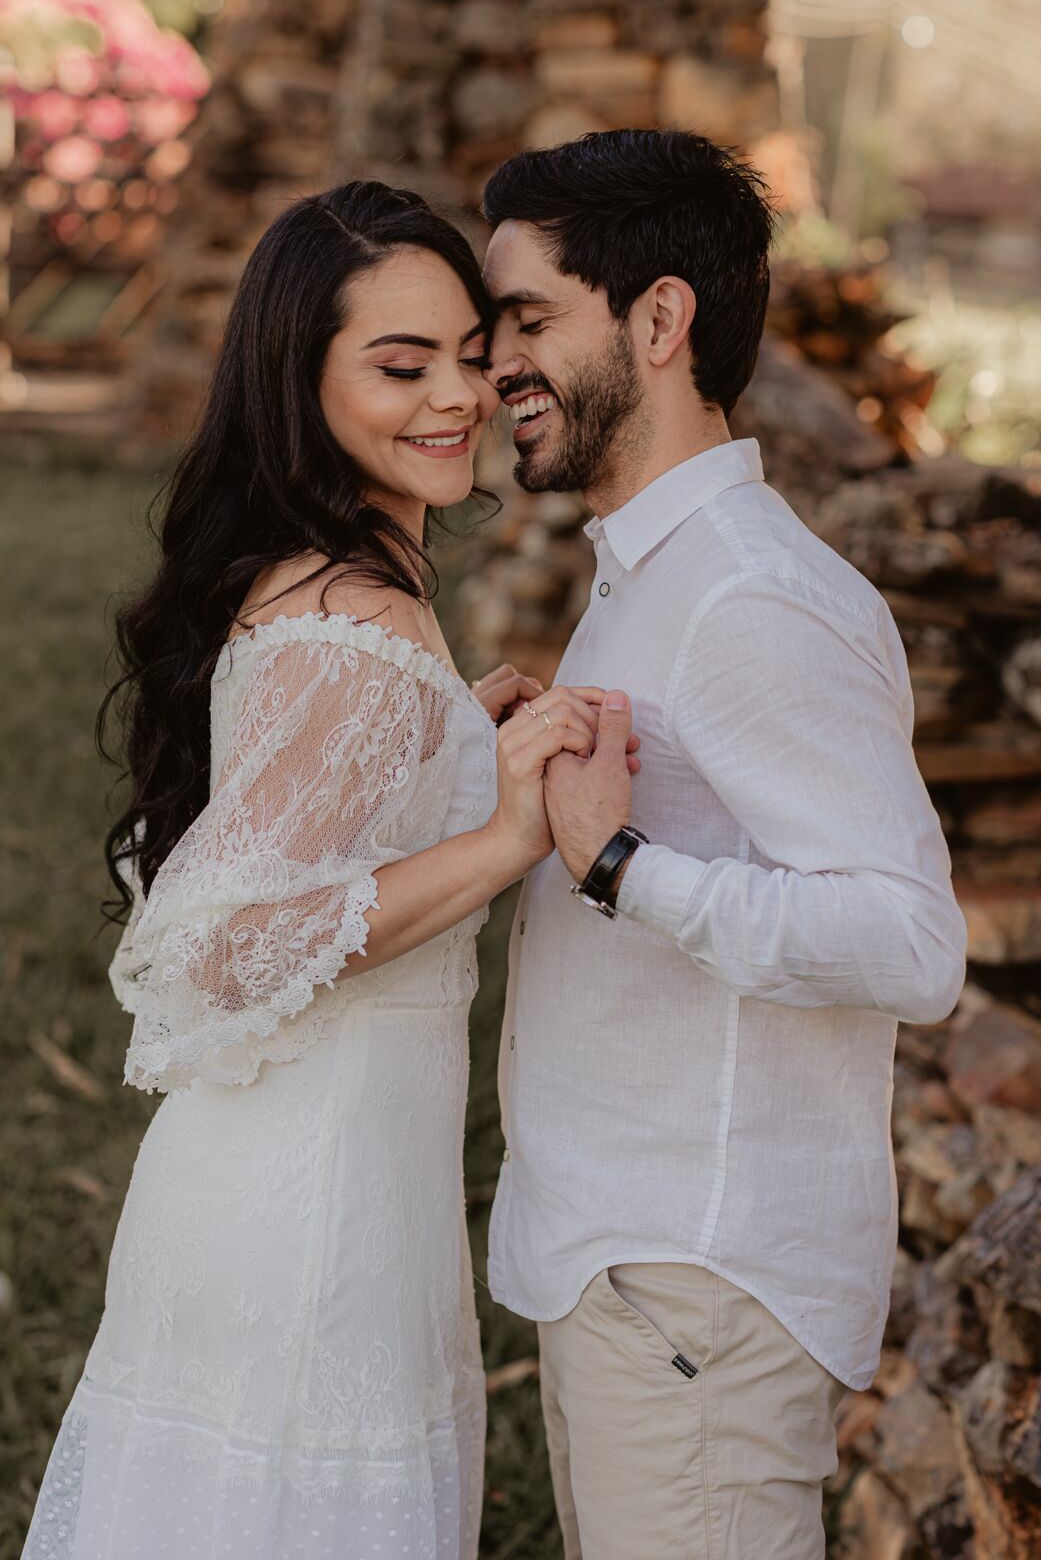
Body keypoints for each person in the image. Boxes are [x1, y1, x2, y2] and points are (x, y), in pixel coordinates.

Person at [21, 179, 638, 1560]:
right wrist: (501, 838)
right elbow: (228, 940)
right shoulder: (348, 616)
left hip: (335, 1172)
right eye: (400, 364)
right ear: (301, 387)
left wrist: (450, 745)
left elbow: (308, 813)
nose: (456, 398)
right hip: (308, 1209)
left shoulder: (351, 587)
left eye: (472, 356)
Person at [481, 129, 968, 1560]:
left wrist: (623, 868)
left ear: (660, 318)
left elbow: (912, 940)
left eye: (529, 319)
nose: (496, 361)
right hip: (627, 1277)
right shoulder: (650, 570)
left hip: (701, 1290)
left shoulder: (750, 597)